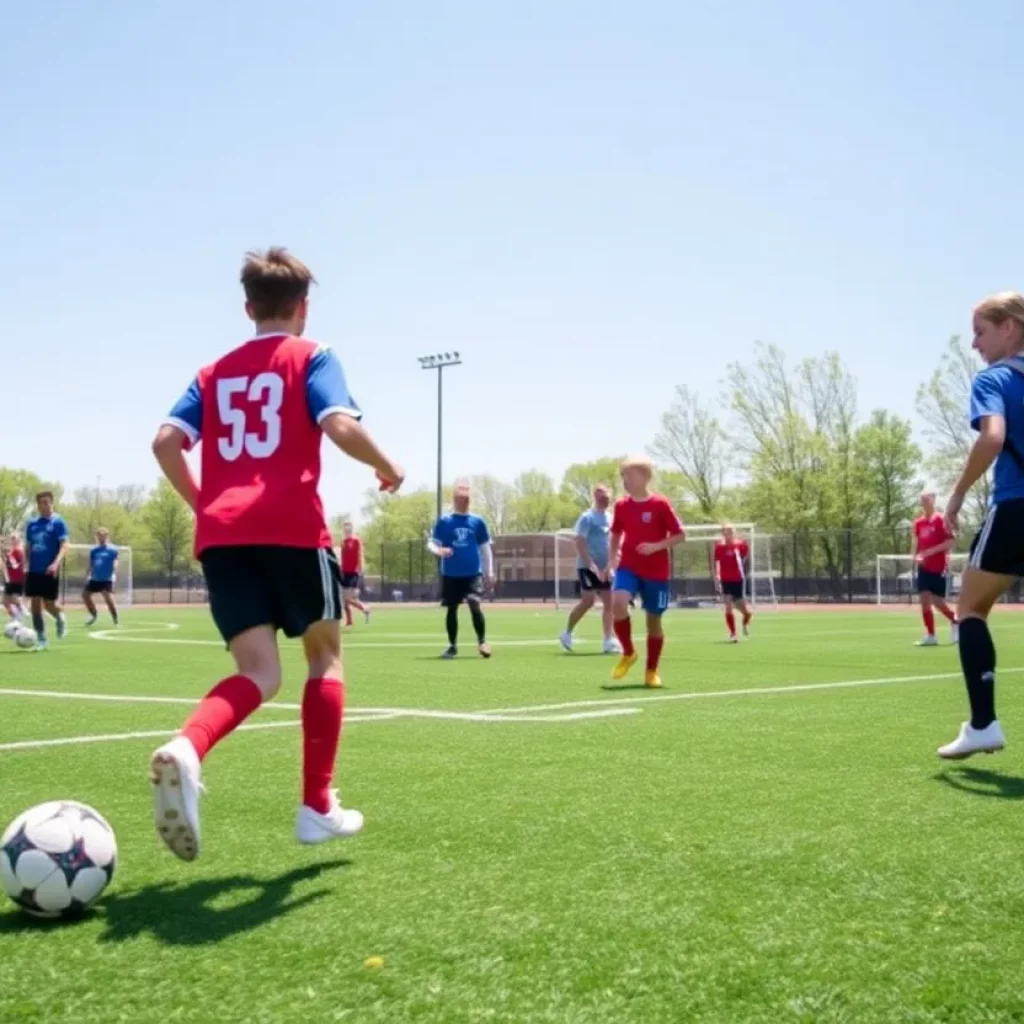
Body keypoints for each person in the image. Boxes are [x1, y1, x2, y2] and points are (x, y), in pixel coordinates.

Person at [149, 247, 404, 861]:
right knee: (325, 659)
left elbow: (164, 443)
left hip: (224, 536)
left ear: (247, 308)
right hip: (291, 527)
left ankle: (189, 744)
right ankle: (317, 806)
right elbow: (340, 426)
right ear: (303, 308)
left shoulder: (213, 372)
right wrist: (387, 464)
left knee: (259, 673)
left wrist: (205, 503)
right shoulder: (313, 356)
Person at [938, 291, 1024, 760]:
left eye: (980, 331)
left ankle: (984, 724)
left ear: (1009, 327)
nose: (974, 344)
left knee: (970, 609)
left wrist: (958, 493)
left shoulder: (994, 378)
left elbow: (993, 436)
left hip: (1016, 507)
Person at [608, 457, 686, 688]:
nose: (625, 481)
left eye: (628, 476)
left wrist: (656, 546)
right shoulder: (621, 506)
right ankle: (628, 652)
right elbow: (615, 534)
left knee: (654, 622)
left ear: (644, 477)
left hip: (656, 572)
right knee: (618, 602)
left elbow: (680, 535)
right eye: (623, 476)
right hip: (628, 567)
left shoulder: (660, 505)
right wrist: (613, 558)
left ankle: (651, 671)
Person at [428, 482, 494, 659]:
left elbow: (485, 548)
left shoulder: (478, 522)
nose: (464, 501)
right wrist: (438, 550)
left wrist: (490, 571)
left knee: (474, 601)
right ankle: (452, 646)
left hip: (472, 573)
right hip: (450, 574)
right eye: (460, 498)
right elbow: (432, 543)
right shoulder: (444, 522)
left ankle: (482, 641)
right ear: (454, 499)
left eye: (467, 498)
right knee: (451, 608)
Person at [560, 484, 619, 654]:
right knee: (588, 601)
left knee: (609, 603)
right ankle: (567, 632)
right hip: (588, 566)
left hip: (605, 567)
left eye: (607, 497)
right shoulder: (587, 517)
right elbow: (579, 541)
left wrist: (610, 563)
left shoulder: (611, 518)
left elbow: (614, 542)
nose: (605, 500)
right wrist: (590, 564)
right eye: (602, 497)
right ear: (595, 497)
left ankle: (608, 641)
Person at [911, 492, 958, 647]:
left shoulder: (941, 520)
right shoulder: (918, 523)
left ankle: (955, 619)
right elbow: (916, 543)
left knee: (938, 602)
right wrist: (915, 556)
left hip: (939, 568)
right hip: (924, 568)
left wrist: (931, 552)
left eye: (927, 499)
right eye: (921, 500)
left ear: (933, 500)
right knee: (924, 599)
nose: (923, 502)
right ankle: (931, 635)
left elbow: (950, 542)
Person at [23, 491, 69, 650]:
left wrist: (56, 563)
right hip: (34, 570)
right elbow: (28, 546)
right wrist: (25, 564)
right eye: (43, 502)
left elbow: (64, 545)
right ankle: (42, 639)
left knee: (49, 604)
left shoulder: (58, 522)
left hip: (50, 570)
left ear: (52, 503)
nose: (46, 505)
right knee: (35, 604)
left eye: (48, 502)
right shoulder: (32, 524)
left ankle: (59, 617)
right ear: (38, 505)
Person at [714, 524, 752, 643]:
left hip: (738, 580)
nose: (728, 533)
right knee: (728, 607)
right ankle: (733, 634)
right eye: (726, 531)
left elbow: (746, 558)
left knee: (746, 612)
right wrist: (717, 575)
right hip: (726, 580)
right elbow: (716, 562)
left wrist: (746, 571)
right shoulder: (719, 547)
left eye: (730, 531)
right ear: (723, 533)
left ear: (734, 532)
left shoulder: (740, 545)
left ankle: (745, 624)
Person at [83, 527, 120, 627]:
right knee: (85, 595)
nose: (101, 538)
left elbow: (116, 561)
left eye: (103, 535)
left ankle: (115, 619)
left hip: (106, 579)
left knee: (108, 599)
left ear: (107, 536)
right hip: (95, 578)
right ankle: (94, 615)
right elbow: (91, 563)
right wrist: (87, 575)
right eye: (99, 536)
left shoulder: (113, 550)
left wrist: (114, 571)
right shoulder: (94, 550)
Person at [339, 521, 370, 627]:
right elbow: (342, 558)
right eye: (345, 527)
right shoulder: (343, 541)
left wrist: (360, 570)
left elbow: (359, 555)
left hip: (353, 572)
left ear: (352, 528)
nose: (346, 528)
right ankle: (349, 621)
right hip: (344, 572)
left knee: (348, 597)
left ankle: (364, 608)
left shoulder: (356, 540)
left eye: (348, 526)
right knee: (344, 598)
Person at [2, 533, 26, 623]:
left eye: (14, 539)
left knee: (10, 600)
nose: (12, 541)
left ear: (18, 540)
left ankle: (21, 612)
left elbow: (15, 566)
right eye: (12, 539)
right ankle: (17, 617)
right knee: (6, 601)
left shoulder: (18, 551)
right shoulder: (13, 551)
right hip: (12, 580)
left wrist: (7, 558)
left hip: (17, 579)